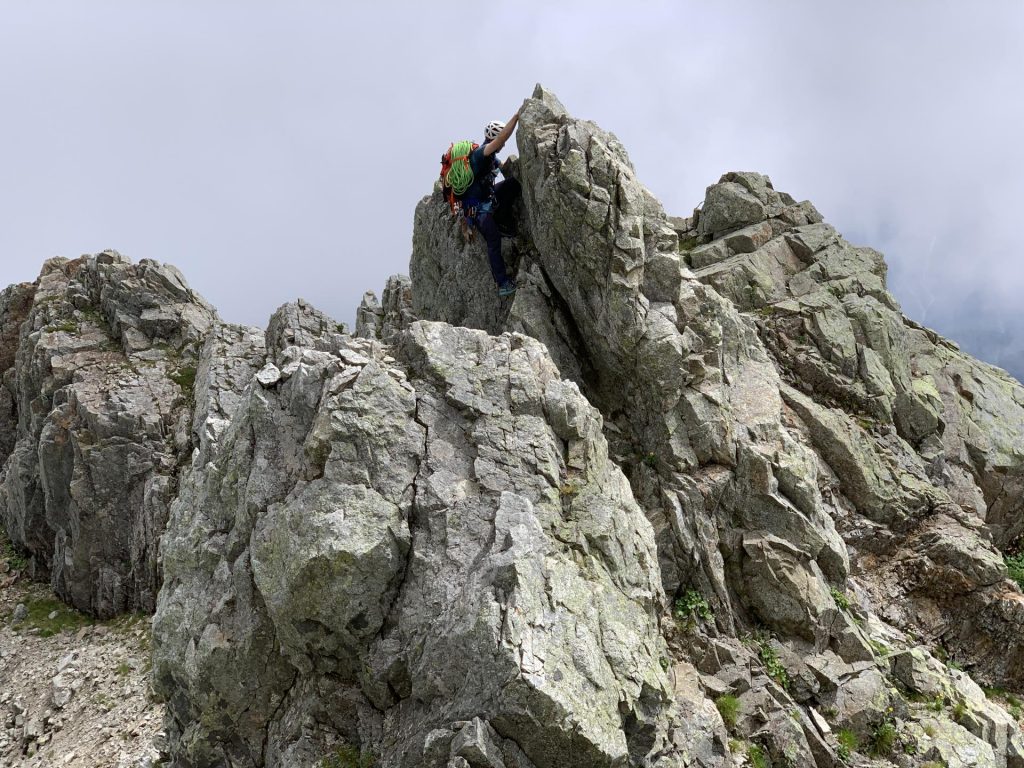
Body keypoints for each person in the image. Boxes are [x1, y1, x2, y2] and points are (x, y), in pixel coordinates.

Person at [458, 109, 522, 297]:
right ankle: (503, 284)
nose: (502, 146)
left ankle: (503, 222)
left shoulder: (492, 158)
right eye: (499, 141)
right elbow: (501, 140)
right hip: (477, 210)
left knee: (512, 185)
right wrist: (516, 118)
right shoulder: (480, 154)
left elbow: (505, 170)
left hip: (488, 200)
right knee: (493, 242)